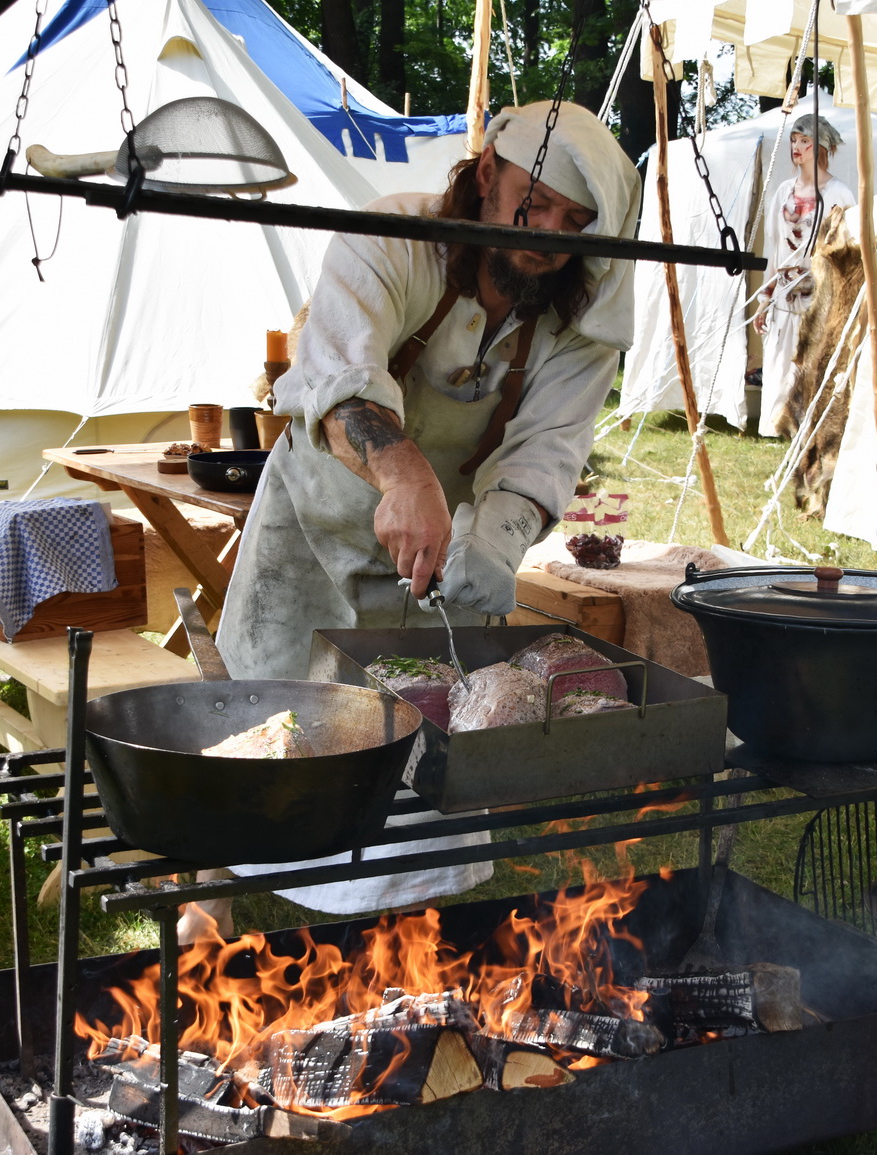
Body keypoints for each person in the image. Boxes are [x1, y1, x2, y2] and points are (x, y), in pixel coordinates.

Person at [194, 102, 641, 931]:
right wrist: (402, 472)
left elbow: (547, 444)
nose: (546, 232)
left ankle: (400, 936)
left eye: (572, 222)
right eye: (532, 203)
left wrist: (500, 534)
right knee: (267, 716)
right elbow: (339, 379)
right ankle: (210, 895)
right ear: (484, 176)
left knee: (430, 741)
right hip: (320, 522)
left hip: (448, 551)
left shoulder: (580, 313)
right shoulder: (387, 240)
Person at [753, 112, 855, 436]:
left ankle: (810, 429)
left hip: (820, 297)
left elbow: (847, 255)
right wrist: (764, 299)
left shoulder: (839, 194)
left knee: (812, 364)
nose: (797, 147)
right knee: (781, 362)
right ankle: (778, 428)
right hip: (784, 294)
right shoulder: (783, 191)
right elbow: (773, 249)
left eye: (805, 140)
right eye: (794, 140)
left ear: (821, 146)